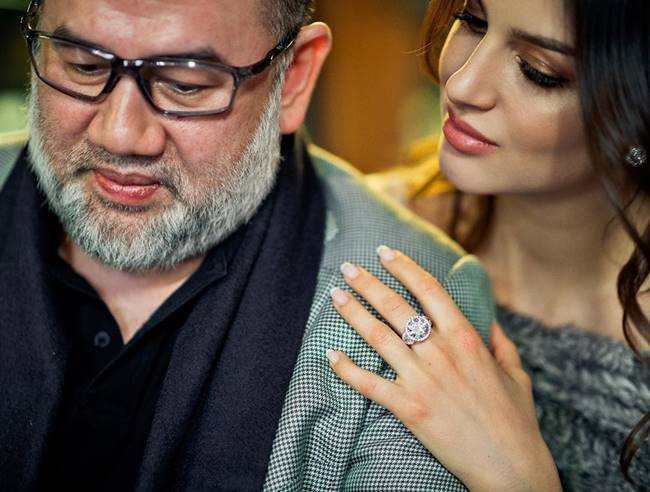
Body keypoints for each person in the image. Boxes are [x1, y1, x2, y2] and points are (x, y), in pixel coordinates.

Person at [0, 0, 497, 490]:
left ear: (294, 78)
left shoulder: (416, 304)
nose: (121, 134)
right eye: (83, 66)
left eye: (185, 84)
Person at [329, 0, 650, 490]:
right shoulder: (365, 227)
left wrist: (519, 477)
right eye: (472, 21)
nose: (462, 85)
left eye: (538, 71)